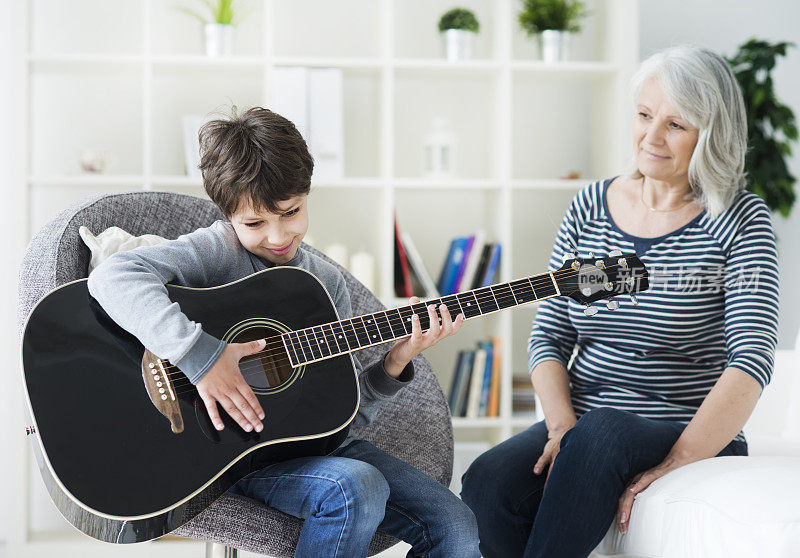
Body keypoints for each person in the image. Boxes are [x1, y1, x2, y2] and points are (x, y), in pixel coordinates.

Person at [87, 106, 480, 558]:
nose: (277, 236)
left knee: (456, 524)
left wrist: (394, 362)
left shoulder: (325, 284)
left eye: (290, 213)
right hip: (232, 455)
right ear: (229, 214)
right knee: (355, 486)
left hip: (312, 452)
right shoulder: (218, 251)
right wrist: (201, 357)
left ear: (307, 194)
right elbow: (113, 278)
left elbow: (342, 417)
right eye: (254, 223)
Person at [460, 45, 780, 558]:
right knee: (488, 479)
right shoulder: (590, 206)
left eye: (676, 125)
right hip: (587, 422)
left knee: (601, 431)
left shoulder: (741, 220)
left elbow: (752, 359)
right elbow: (550, 334)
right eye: (644, 115)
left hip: (681, 420)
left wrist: (679, 458)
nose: (651, 138)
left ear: (711, 135)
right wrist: (561, 425)